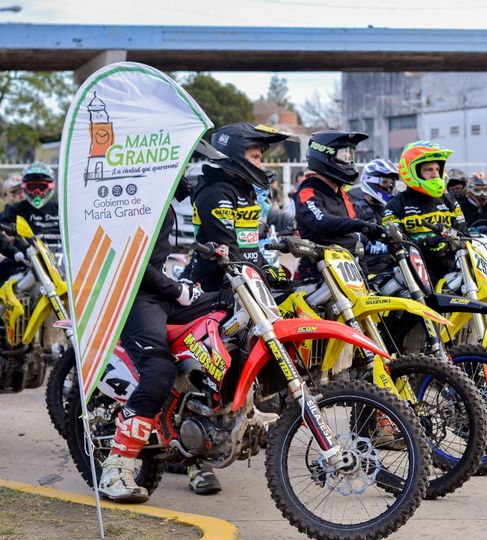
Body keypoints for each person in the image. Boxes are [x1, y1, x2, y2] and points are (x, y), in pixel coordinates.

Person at [98, 175, 224, 503]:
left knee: (227, 308)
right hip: (133, 296)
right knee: (159, 369)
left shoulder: (160, 196)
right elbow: (132, 264)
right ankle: (116, 468)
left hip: (159, 288)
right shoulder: (136, 198)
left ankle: (199, 430)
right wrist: (176, 289)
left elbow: (153, 259)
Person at [187, 123, 291, 292]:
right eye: (255, 157)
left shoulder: (244, 190)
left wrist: (266, 267)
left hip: (245, 281)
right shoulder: (216, 192)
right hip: (217, 287)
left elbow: (249, 245)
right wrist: (262, 274)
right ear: (235, 155)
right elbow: (228, 248)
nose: (260, 165)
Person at [294, 130, 384, 279]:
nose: (349, 162)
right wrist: (359, 224)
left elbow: (351, 233)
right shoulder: (308, 192)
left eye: (350, 156)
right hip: (320, 271)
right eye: (343, 156)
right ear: (325, 155)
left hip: (350, 266)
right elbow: (321, 221)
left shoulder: (341, 192)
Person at [382, 140, 465, 283]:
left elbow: (464, 236)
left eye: (437, 169)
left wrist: (450, 243)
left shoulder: (450, 201)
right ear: (413, 171)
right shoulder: (395, 206)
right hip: (416, 279)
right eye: (429, 170)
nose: (435, 174)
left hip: (453, 274)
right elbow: (394, 244)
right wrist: (425, 244)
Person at [349, 159, 399, 274]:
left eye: (392, 183)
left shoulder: (390, 209)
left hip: (392, 269)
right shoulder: (356, 208)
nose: (390, 187)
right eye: (385, 182)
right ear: (371, 181)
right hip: (368, 272)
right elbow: (352, 241)